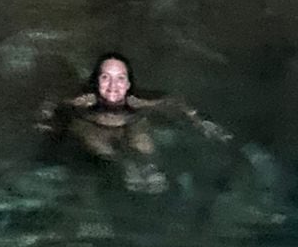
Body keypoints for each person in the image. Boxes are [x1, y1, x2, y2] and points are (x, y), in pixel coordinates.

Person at [40, 52, 229, 190]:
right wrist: (47, 120)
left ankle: (149, 167)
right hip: (91, 123)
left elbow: (174, 100)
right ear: (96, 82)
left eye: (120, 79)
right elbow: (55, 100)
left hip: (130, 122)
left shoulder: (136, 101)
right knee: (95, 139)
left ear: (129, 84)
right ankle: (125, 167)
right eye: (106, 78)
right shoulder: (83, 100)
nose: (113, 86)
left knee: (142, 140)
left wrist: (201, 122)